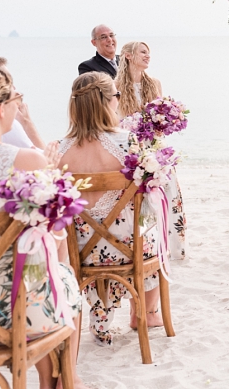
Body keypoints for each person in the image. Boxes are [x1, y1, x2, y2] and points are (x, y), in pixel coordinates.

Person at [0, 63, 85, 389]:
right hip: (9, 311)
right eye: (17, 97)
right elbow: (54, 234)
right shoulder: (26, 162)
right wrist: (51, 172)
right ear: (1, 108)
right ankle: (57, 383)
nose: (19, 103)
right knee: (63, 279)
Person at [58, 71, 164, 345]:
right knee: (153, 228)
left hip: (79, 252)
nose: (118, 100)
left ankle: (101, 320)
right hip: (128, 252)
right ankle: (147, 312)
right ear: (107, 102)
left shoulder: (59, 150)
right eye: (116, 96)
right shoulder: (126, 142)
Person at [115, 41, 186, 261]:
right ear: (127, 56)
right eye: (143, 52)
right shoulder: (115, 86)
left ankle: (174, 248)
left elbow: (161, 119)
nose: (148, 56)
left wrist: (166, 119)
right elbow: (114, 122)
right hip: (132, 148)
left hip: (155, 147)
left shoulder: (154, 83)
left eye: (149, 53)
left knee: (169, 190)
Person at [0, 55, 46, 149]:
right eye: (7, 82)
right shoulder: (9, 123)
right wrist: (27, 122)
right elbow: (45, 161)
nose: (14, 88)